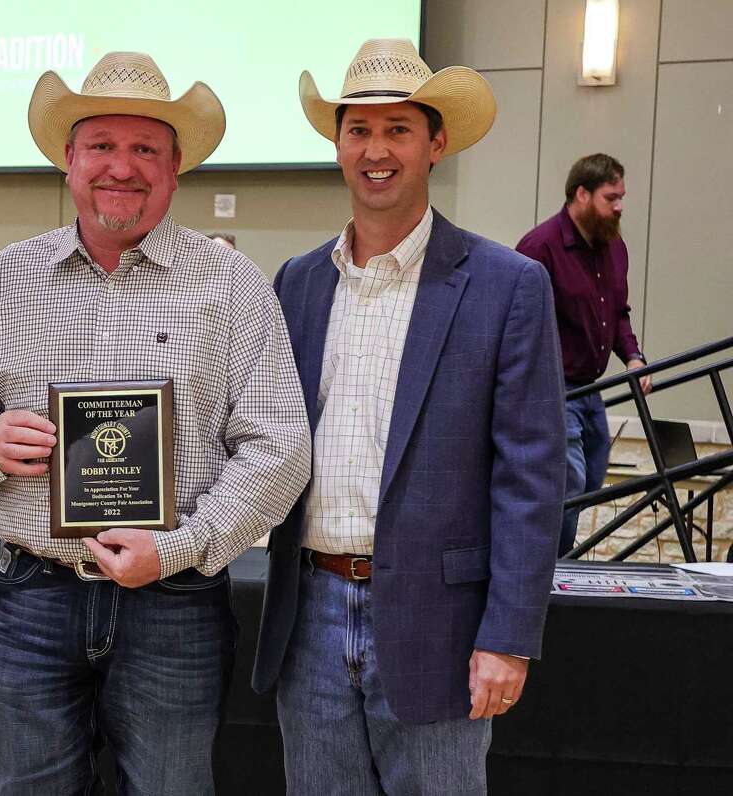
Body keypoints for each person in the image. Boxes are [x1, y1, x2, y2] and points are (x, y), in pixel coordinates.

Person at [0, 52, 310, 795]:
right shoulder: (6, 280)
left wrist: (180, 547)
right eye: (103, 146)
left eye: (146, 148)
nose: (123, 167)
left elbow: (278, 449)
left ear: (177, 168)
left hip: (174, 606)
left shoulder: (233, 286)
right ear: (68, 160)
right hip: (33, 598)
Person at [252, 39, 566, 794]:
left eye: (398, 129)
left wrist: (509, 638)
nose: (376, 149)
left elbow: (532, 476)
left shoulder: (506, 286)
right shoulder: (297, 283)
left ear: (436, 141)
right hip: (311, 615)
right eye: (358, 129)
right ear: (337, 145)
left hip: (443, 625)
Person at [516, 153, 651, 556]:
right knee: (568, 480)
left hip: (588, 388)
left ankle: (558, 560)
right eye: (611, 197)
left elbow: (619, 312)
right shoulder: (539, 248)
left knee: (591, 478)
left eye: (621, 196)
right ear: (581, 194)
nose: (619, 206)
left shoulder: (614, 248)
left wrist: (634, 357)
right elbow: (516, 322)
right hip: (551, 388)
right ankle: (551, 569)